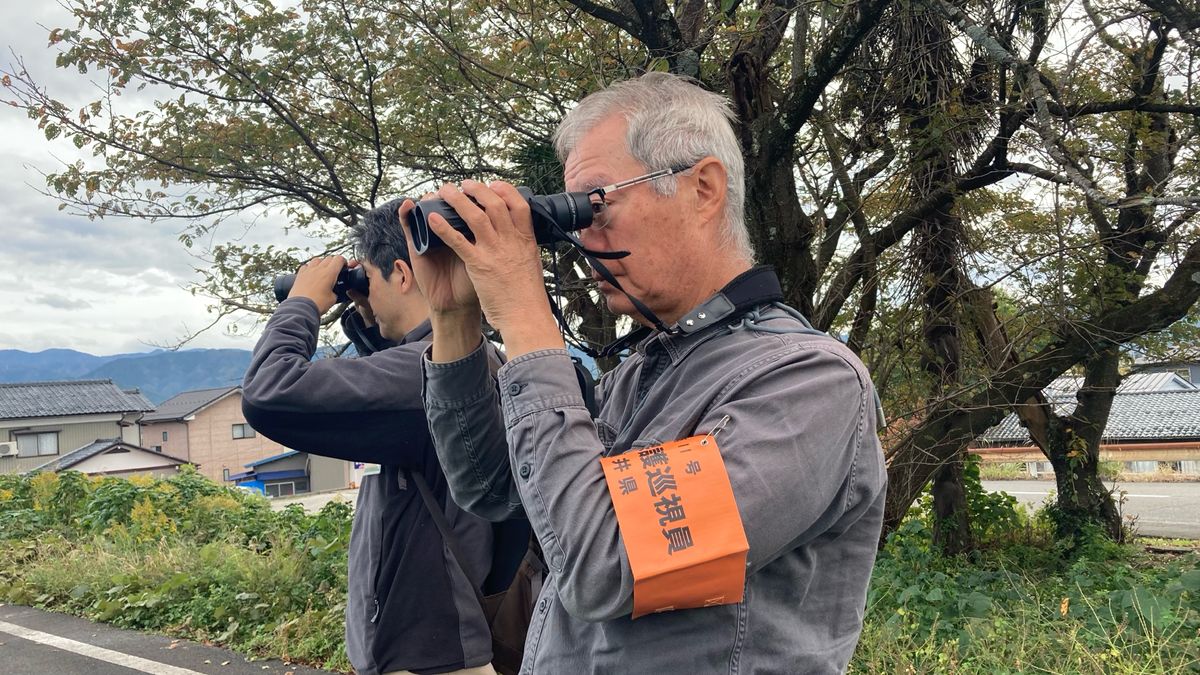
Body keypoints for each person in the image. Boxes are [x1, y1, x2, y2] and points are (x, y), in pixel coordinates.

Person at [405, 72, 887, 673]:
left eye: (596, 203)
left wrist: (525, 314)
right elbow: (491, 488)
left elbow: (607, 565)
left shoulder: (808, 382)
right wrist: (454, 322)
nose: (581, 235)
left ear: (703, 188)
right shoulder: (643, 374)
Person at [241, 201, 508, 675]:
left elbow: (269, 393)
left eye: (371, 279)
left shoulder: (423, 375)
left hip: (432, 654)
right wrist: (365, 313)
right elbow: (383, 403)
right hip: (442, 642)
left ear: (403, 274)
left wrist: (302, 303)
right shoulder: (463, 362)